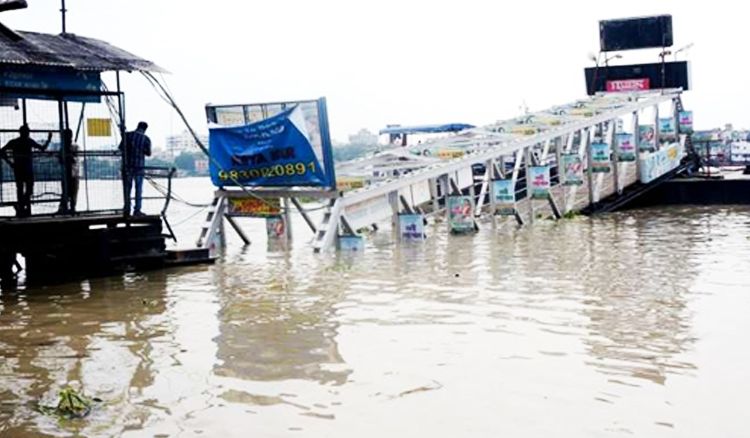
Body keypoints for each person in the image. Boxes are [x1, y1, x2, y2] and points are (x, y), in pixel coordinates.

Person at [0, 125, 52, 217]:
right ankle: (23, 207)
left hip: (19, 168)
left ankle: (21, 206)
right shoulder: (28, 141)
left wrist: (9, 162)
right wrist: (48, 140)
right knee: (27, 189)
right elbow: (42, 148)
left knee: (21, 189)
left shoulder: (16, 142)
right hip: (26, 169)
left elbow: (2, 151)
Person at [119, 121, 151, 216]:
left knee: (127, 189)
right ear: (145, 129)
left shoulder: (127, 136)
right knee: (138, 189)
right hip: (139, 168)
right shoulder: (146, 139)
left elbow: (121, 148)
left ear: (137, 126)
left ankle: (127, 208)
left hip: (127, 167)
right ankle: (137, 210)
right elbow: (148, 153)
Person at [57, 129, 79, 214]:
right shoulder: (63, 147)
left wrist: (68, 156)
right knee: (65, 192)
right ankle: (64, 208)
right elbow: (60, 159)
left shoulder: (74, 146)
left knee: (73, 192)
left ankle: (72, 208)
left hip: (73, 173)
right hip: (66, 173)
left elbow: (75, 159)